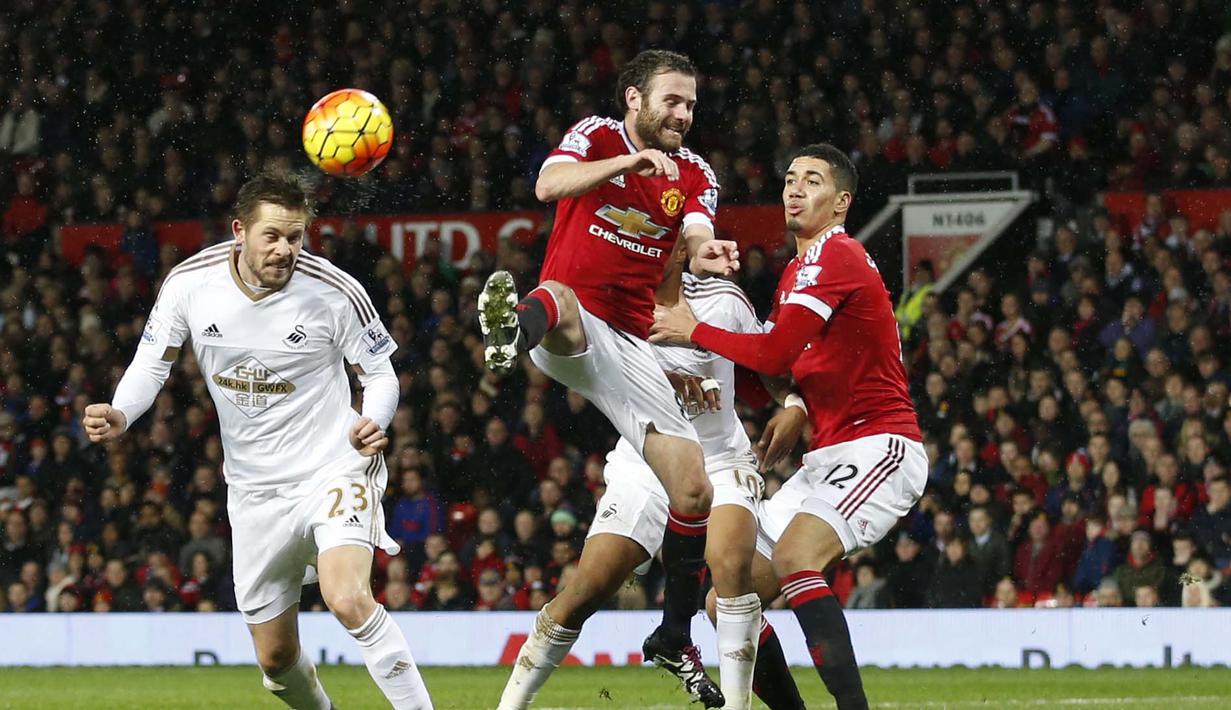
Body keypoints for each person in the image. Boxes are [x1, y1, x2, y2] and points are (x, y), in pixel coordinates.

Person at [82, 171, 432, 709]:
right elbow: (151, 365)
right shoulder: (189, 283)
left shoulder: (334, 291)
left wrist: (374, 419)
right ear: (239, 231)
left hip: (333, 466)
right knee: (275, 662)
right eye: (272, 236)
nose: (285, 250)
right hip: (253, 491)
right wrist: (122, 412)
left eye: (295, 237)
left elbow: (381, 373)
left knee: (347, 598)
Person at [477, 49, 738, 701]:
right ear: (633, 99)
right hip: (570, 321)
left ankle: (673, 635)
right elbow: (548, 185)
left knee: (694, 491)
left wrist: (704, 250)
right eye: (671, 101)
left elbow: (698, 228)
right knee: (559, 296)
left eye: (690, 104)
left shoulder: (695, 171)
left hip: (629, 345)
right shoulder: (597, 136)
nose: (682, 114)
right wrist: (625, 163)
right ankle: (511, 332)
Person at [652, 143, 928, 710]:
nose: (795, 190)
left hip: (881, 444)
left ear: (841, 202)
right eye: (790, 179)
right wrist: (798, 405)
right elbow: (780, 365)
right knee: (726, 599)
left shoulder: (839, 256)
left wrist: (692, 330)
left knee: (796, 557)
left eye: (813, 181)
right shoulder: (797, 273)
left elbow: (775, 350)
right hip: (826, 457)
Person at [498, 245, 808, 710]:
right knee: (588, 588)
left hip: (721, 459)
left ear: (681, 249)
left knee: (729, 571)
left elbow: (769, 362)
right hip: (645, 457)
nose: (645, 248)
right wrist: (665, 377)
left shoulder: (724, 298)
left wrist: (793, 404)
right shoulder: (614, 308)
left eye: (663, 238)